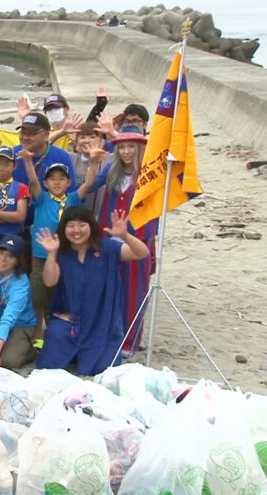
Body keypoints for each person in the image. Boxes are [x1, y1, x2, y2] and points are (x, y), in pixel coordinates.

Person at [35, 207, 150, 375]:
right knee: (52, 350)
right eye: (71, 226)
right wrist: (51, 255)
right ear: (63, 229)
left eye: (82, 225)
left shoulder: (107, 248)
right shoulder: (62, 253)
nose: (76, 231)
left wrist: (124, 235)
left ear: (91, 226)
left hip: (102, 323)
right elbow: (49, 280)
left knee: (101, 367)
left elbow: (141, 253)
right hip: (72, 320)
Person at [23, 149, 101, 344]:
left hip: (65, 255)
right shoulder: (42, 199)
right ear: (46, 183)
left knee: (58, 295)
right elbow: (32, 181)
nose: (57, 182)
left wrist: (93, 162)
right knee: (38, 294)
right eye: (52, 179)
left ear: (69, 182)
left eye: (62, 178)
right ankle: (38, 331)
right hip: (41, 255)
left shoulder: (73, 198)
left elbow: (89, 183)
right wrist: (28, 161)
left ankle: (55, 332)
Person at [93, 126, 157, 355]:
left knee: (134, 292)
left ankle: (129, 341)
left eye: (132, 146)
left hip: (137, 238)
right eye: (122, 147)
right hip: (109, 238)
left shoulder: (150, 173)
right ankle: (109, 336)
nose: (127, 152)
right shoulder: (111, 170)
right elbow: (91, 185)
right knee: (109, 289)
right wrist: (92, 163)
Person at [0, 234, 38, 368]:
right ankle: (3, 342)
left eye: (10, 256)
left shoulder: (21, 285)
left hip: (20, 324)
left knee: (7, 361)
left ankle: (29, 349)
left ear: (18, 260)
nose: (2, 259)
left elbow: (9, 318)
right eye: (1, 252)